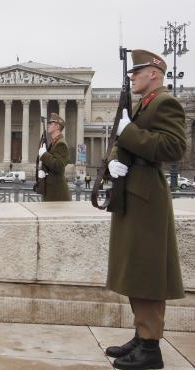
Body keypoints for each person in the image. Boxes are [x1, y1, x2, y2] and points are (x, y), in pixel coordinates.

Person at [105, 50, 186, 370]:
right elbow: (123, 138)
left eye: (136, 71)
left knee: (147, 270)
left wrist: (128, 133)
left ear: (154, 72)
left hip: (148, 197)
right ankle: (142, 335)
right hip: (134, 194)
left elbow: (174, 148)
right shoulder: (144, 104)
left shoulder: (165, 102)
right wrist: (114, 157)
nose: (131, 76)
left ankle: (151, 347)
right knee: (135, 268)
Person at [37, 113, 71, 202]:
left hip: (57, 193)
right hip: (51, 190)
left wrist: (44, 155)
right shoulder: (54, 143)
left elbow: (59, 166)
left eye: (50, 124)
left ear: (57, 127)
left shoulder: (61, 143)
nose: (48, 125)